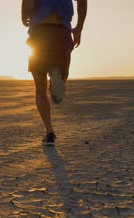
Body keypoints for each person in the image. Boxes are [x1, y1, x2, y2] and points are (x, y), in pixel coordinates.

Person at [21, 0, 87, 146]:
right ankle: (58, 77)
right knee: (59, 77)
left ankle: (49, 132)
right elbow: (82, 3)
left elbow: (29, 4)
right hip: (61, 32)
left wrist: (23, 14)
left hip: (40, 33)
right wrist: (78, 29)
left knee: (40, 87)